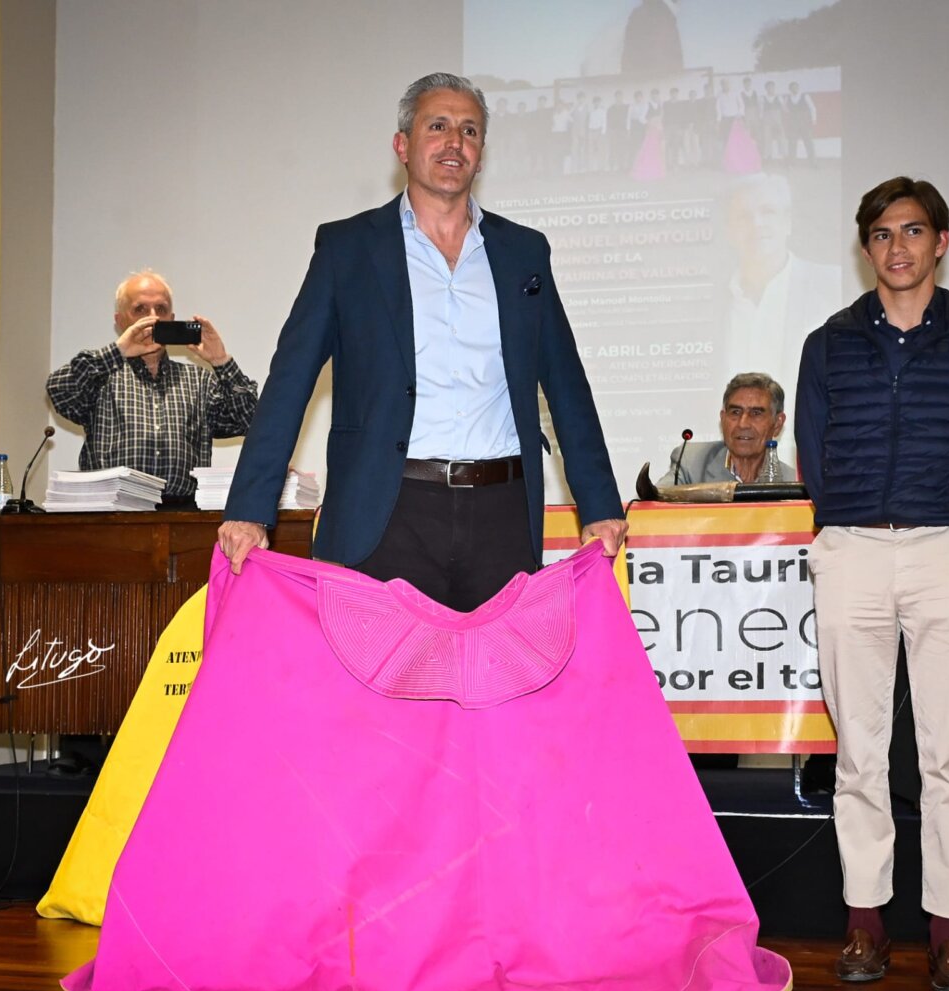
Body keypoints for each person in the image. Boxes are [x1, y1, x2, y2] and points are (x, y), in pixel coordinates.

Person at [219, 73, 625, 612]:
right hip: (388, 514)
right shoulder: (347, 250)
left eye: (470, 130)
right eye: (438, 126)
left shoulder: (524, 253)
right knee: (381, 695)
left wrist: (599, 502)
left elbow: (567, 386)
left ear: (481, 154)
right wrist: (250, 507)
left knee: (497, 690)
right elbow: (290, 381)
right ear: (403, 145)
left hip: (501, 516)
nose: (455, 142)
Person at [795, 176, 949, 991]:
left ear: (941, 242)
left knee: (947, 756)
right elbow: (814, 454)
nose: (899, 248)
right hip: (853, 549)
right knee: (859, 752)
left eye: (914, 232)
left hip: (947, 552)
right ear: (867, 250)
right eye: (884, 234)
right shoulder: (829, 342)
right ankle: (865, 926)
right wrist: (847, 521)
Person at [46, 270, 258, 506]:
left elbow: (249, 420)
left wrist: (221, 360)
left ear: (172, 318)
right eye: (140, 310)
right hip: (112, 513)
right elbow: (59, 391)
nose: (153, 318)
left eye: (162, 309)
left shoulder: (199, 381)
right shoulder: (101, 377)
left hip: (182, 516)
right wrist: (118, 351)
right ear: (120, 321)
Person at [721, 173, 841, 463]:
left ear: (788, 222)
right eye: (744, 216)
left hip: (813, 470)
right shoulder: (708, 299)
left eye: (768, 212)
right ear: (729, 230)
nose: (757, 225)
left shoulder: (831, 284)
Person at [659, 372, 795, 485]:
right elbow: (653, 504)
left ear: (777, 423)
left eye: (756, 413)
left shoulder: (792, 481)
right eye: (735, 412)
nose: (743, 424)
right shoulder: (692, 463)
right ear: (723, 418)